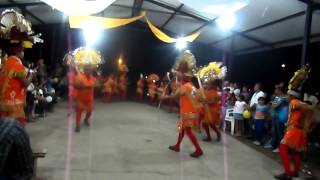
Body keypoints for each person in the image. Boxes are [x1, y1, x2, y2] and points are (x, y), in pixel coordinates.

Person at [163, 50, 203, 158]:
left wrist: (164, 97)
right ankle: (177, 145)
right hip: (189, 112)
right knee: (182, 129)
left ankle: (198, 150)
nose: (180, 77)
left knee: (188, 132)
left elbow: (174, 96)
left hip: (188, 113)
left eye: (181, 75)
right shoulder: (191, 86)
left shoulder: (185, 87)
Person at [274, 90, 314, 180]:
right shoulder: (298, 102)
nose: (287, 97)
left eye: (288, 95)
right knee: (296, 151)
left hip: (293, 130)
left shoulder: (293, 101)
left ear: (291, 96)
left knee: (282, 147)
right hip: (299, 131)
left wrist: (303, 105)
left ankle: (288, 173)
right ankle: (295, 172)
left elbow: (274, 106)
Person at [0, 43, 30, 126]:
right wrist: (31, 76)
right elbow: (26, 83)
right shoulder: (17, 64)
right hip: (14, 103)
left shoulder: (6, 63)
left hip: (4, 102)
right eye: (22, 51)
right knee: (16, 128)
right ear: (18, 52)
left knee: (4, 127)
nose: (23, 53)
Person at [74, 65, 96, 132]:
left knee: (89, 112)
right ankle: (77, 125)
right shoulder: (79, 77)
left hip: (89, 98)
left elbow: (95, 85)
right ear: (84, 70)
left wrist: (96, 85)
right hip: (80, 98)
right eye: (87, 69)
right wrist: (84, 87)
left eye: (89, 69)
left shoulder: (92, 78)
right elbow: (75, 85)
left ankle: (86, 119)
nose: (88, 71)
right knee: (79, 112)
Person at [269, 85, 288, 153]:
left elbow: (275, 105)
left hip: (281, 118)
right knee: (275, 132)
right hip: (275, 116)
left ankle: (281, 147)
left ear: (280, 90)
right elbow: (273, 106)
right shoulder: (277, 97)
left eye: (276, 90)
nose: (275, 91)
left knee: (280, 132)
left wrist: (277, 103)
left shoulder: (286, 97)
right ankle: (275, 145)